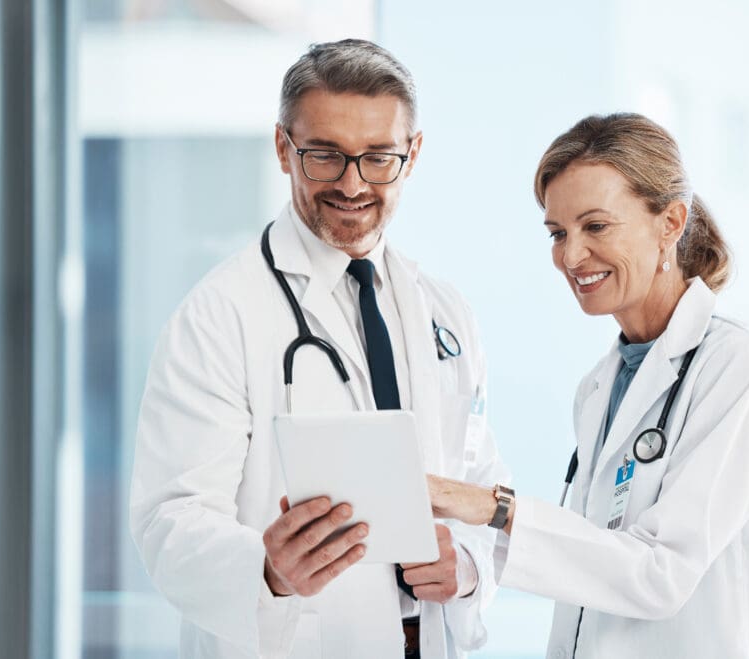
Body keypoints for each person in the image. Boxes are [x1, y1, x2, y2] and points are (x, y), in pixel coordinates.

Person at [129, 39, 508, 659]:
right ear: (283, 148)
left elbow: (479, 482)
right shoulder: (220, 314)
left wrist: (466, 567)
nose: (353, 184)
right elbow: (168, 522)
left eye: (378, 157)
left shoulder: (444, 310)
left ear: (411, 155)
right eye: (325, 156)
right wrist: (268, 571)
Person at [427, 113, 749, 658]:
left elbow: (660, 573)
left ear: (670, 223)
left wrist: (493, 508)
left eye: (595, 226)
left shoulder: (740, 370)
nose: (571, 256)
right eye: (558, 233)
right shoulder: (599, 387)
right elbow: (592, 572)